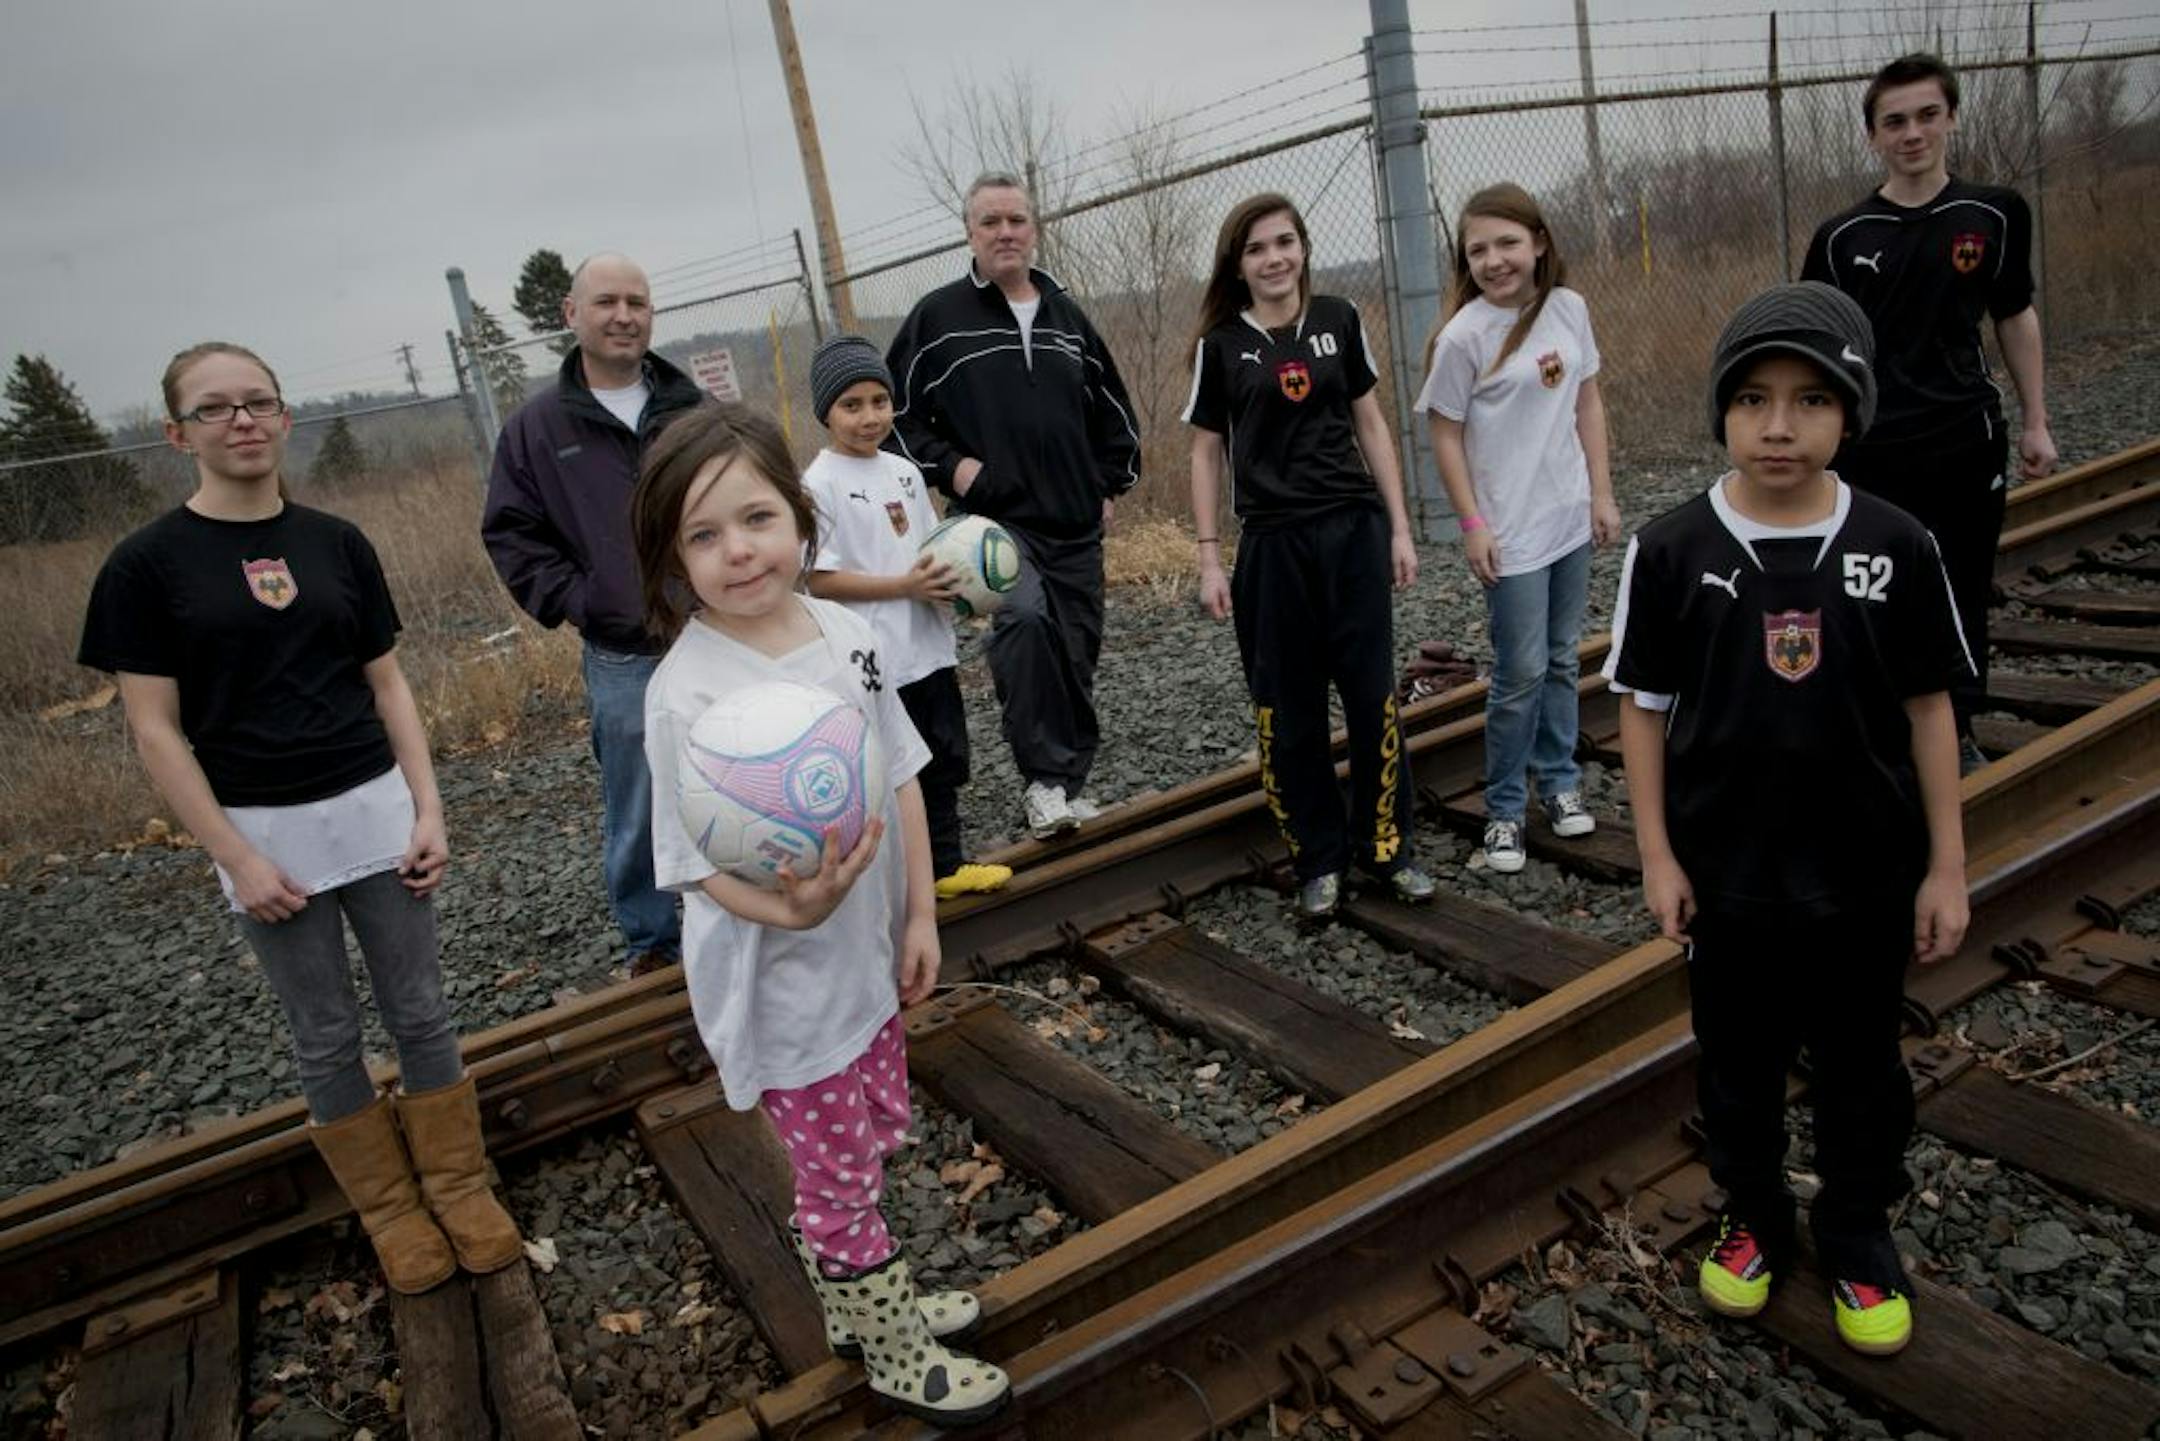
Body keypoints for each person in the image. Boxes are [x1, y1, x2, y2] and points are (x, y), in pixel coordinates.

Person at [78, 342, 522, 1295]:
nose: (240, 420)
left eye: (258, 403)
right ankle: (394, 1213)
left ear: (284, 419)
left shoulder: (335, 542)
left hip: (373, 809)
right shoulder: (145, 566)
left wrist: (429, 804)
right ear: (177, 433)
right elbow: (155, 732)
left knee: (421, 1009)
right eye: (214, 408)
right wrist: (234, 856)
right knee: (324, 1032)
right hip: (263, 833)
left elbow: (388, 682)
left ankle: (457, 1186)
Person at [1602, 283, 1971, 1357]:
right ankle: (1754, 1215)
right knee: (1738, 1063)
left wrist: (1946, 865)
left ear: (1849, 413)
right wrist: (1659, 854)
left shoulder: (1897, 543)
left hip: (1863, 875)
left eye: (1810, 400)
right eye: (1754, 399)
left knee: (1863, 1063)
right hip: (1730, 879)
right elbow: (1643, 711)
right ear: (1721, 410)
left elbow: (1929, 708)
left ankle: (1855, 1227)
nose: (1778, 425)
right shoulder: (1672, 551)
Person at [630, 403, 1008, 1427]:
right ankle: (883, 1335)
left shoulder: (847, 633)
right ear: (673, 557)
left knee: (874, 1133)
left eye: (755, 518)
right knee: (839, 1165)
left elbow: (902, 774)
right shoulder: (683, 693)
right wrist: (789, 911)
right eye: (702, 536)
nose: (737, 551)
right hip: (786, 977)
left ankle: (850, 1278)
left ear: (800, 521)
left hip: (867, 953)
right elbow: (689, 865)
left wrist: (918, 914)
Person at [1802, 52, 2057, 775]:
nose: (1911, 133)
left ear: (1949, 118)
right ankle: (1882, 725)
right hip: (1873, 451)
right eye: (1894, 121)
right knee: (1871, 590)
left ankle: (1958, 725)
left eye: (1925, 116)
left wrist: (2036, 417)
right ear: (1872, 136)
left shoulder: (1994, 214)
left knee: (1961, 587)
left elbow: (2014, 316)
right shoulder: (1842, 237)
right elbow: (1818, 349)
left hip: (1965, 442)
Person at [1184, 192, 1437, 920]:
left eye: (1285, 242)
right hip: (1272, 547)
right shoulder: (1220, 347)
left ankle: (1387, 847)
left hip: (1351, 533)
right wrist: (1208, 557)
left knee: (1371, 699)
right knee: (1287, 715)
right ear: (1239, 263)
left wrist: (1398, 526)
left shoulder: (1339, 320)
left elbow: (1370, 423)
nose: (1275, 258)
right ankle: (1318, 859)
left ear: (1303, 248)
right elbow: (1205, 453)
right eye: (1258, 247)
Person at [885, 172, 1142, 841]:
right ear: (969, 233)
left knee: (1076, 655)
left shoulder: (1067, 316)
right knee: (1024, 624)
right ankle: (1044, 783)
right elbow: (893, 418)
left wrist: (1109, 483)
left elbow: (1114, 415)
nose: (1005, 232)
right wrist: (955, 467)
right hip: (993, 528)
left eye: (1016, 220)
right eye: (990, 221)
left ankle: (1064, 786)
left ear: (1035, 228)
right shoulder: (938, 319)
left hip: (1075, 525)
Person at [482, 252, 703, 972]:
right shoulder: (537, 429)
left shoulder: (690, 409)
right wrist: (583, 601)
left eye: (637, 301)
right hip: (623, 650)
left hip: (714, 633)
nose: (624, 315)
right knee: (637, 798)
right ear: (571, 316)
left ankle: (739, 908)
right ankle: (653, 940)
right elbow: (512, 532)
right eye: (605, 301)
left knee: (736, 771)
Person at [1416, 183, 1621, 876]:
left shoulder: (1569, 309)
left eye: (1507, 242)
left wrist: (1601, 491)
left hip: (1567, 516)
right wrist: (1471, 523)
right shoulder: (1462, 337)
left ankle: (1559, 783)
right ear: (1465, 262)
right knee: (1521, 670)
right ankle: (1504, 808)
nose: (1496, 259)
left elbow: (1586, 400)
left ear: (1538, 243)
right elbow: (1445, 436)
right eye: (1479, 249)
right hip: (1509, 532)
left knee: (1564, 658)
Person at [801, 334, 1013, 900]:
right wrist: (902, 586)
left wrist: (958, 588)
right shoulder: (818, 485)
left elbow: (933, 547)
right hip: (872, 660)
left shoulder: (904, 472)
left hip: (927, 648)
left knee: (941, 758)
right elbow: (818, 578)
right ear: (825, 411)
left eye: (879, 401)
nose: (870, 417)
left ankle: (945, 867)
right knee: (887, 770)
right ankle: (889, 880)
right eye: (852, 405)